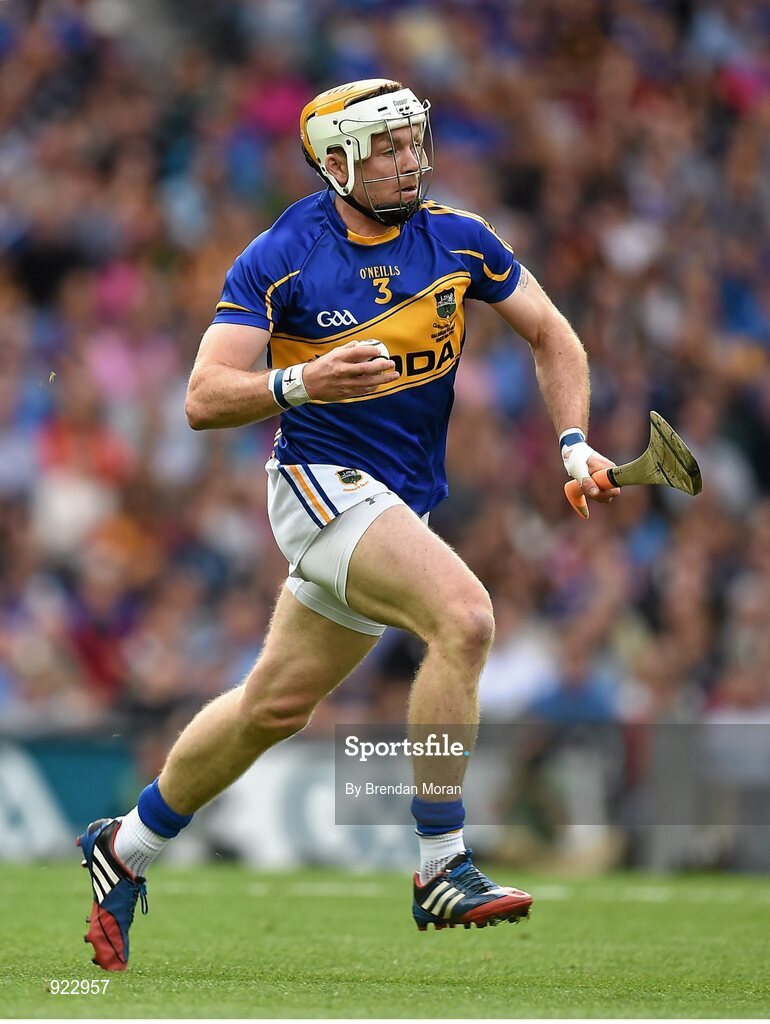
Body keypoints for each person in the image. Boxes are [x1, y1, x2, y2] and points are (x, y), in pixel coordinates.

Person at [77, 78, 618, 970]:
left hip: (397, 503)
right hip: (319, 484)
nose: (409, 161)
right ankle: (441, 864)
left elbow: (553, 334)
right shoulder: (284, 254)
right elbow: (202, 398)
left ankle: (125, 845)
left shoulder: (459, 237)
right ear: (336, 163)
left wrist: (572, 444)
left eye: (413, 142)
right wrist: (302, 381)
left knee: (273, 707)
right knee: (466, 619)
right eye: (386, 148)